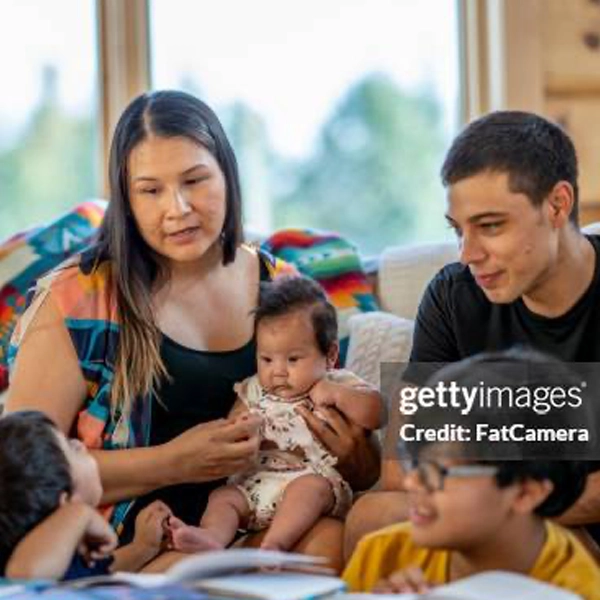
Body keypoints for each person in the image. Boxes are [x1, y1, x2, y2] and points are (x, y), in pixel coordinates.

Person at [5, 90, 380, 570]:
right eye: (151, 190)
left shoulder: (283, 289)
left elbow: (357, 457)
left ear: (226, 174)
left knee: (329, 544)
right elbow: (20, 477)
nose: (177, 208)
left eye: (195, 180)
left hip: (257, 514)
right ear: (126, 199)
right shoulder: (77, 298)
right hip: (132, 544)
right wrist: (173, 462)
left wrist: (355, 455)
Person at [344, 110, 600, 558]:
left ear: (558, 205)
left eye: (490, 226)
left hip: (564, 524)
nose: (467, 254)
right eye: (457, 229)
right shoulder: (452, 297)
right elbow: (401, 467)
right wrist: (498, 510)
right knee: (370, 518)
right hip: (488, 517)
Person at [343, 352, 600, 600]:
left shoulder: (580, 591)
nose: (411, 482)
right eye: (415, 462)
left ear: (525, 493)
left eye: (439, 470)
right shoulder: (383, 554)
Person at [167, 276, 382, 553]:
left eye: (293, 359)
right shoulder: (254, 388)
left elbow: (378, 413)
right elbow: (232, 426)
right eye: (266, 359)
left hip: (310, 478)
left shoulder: (337, 383)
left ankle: (276, 543)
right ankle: (212, 538)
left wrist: (338, 395)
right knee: (223, 497)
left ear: (330, 355)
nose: (278, 371)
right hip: (256, 484)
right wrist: (243, 428)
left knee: (309, 490)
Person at [0, 411, 173, 580]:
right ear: (65, 501)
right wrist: (79, 512)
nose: (79, 444)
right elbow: (26, 578)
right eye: (71, 448)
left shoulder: (62, 558)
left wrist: (142, 548)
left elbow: (91, 575)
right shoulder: (31, 565)